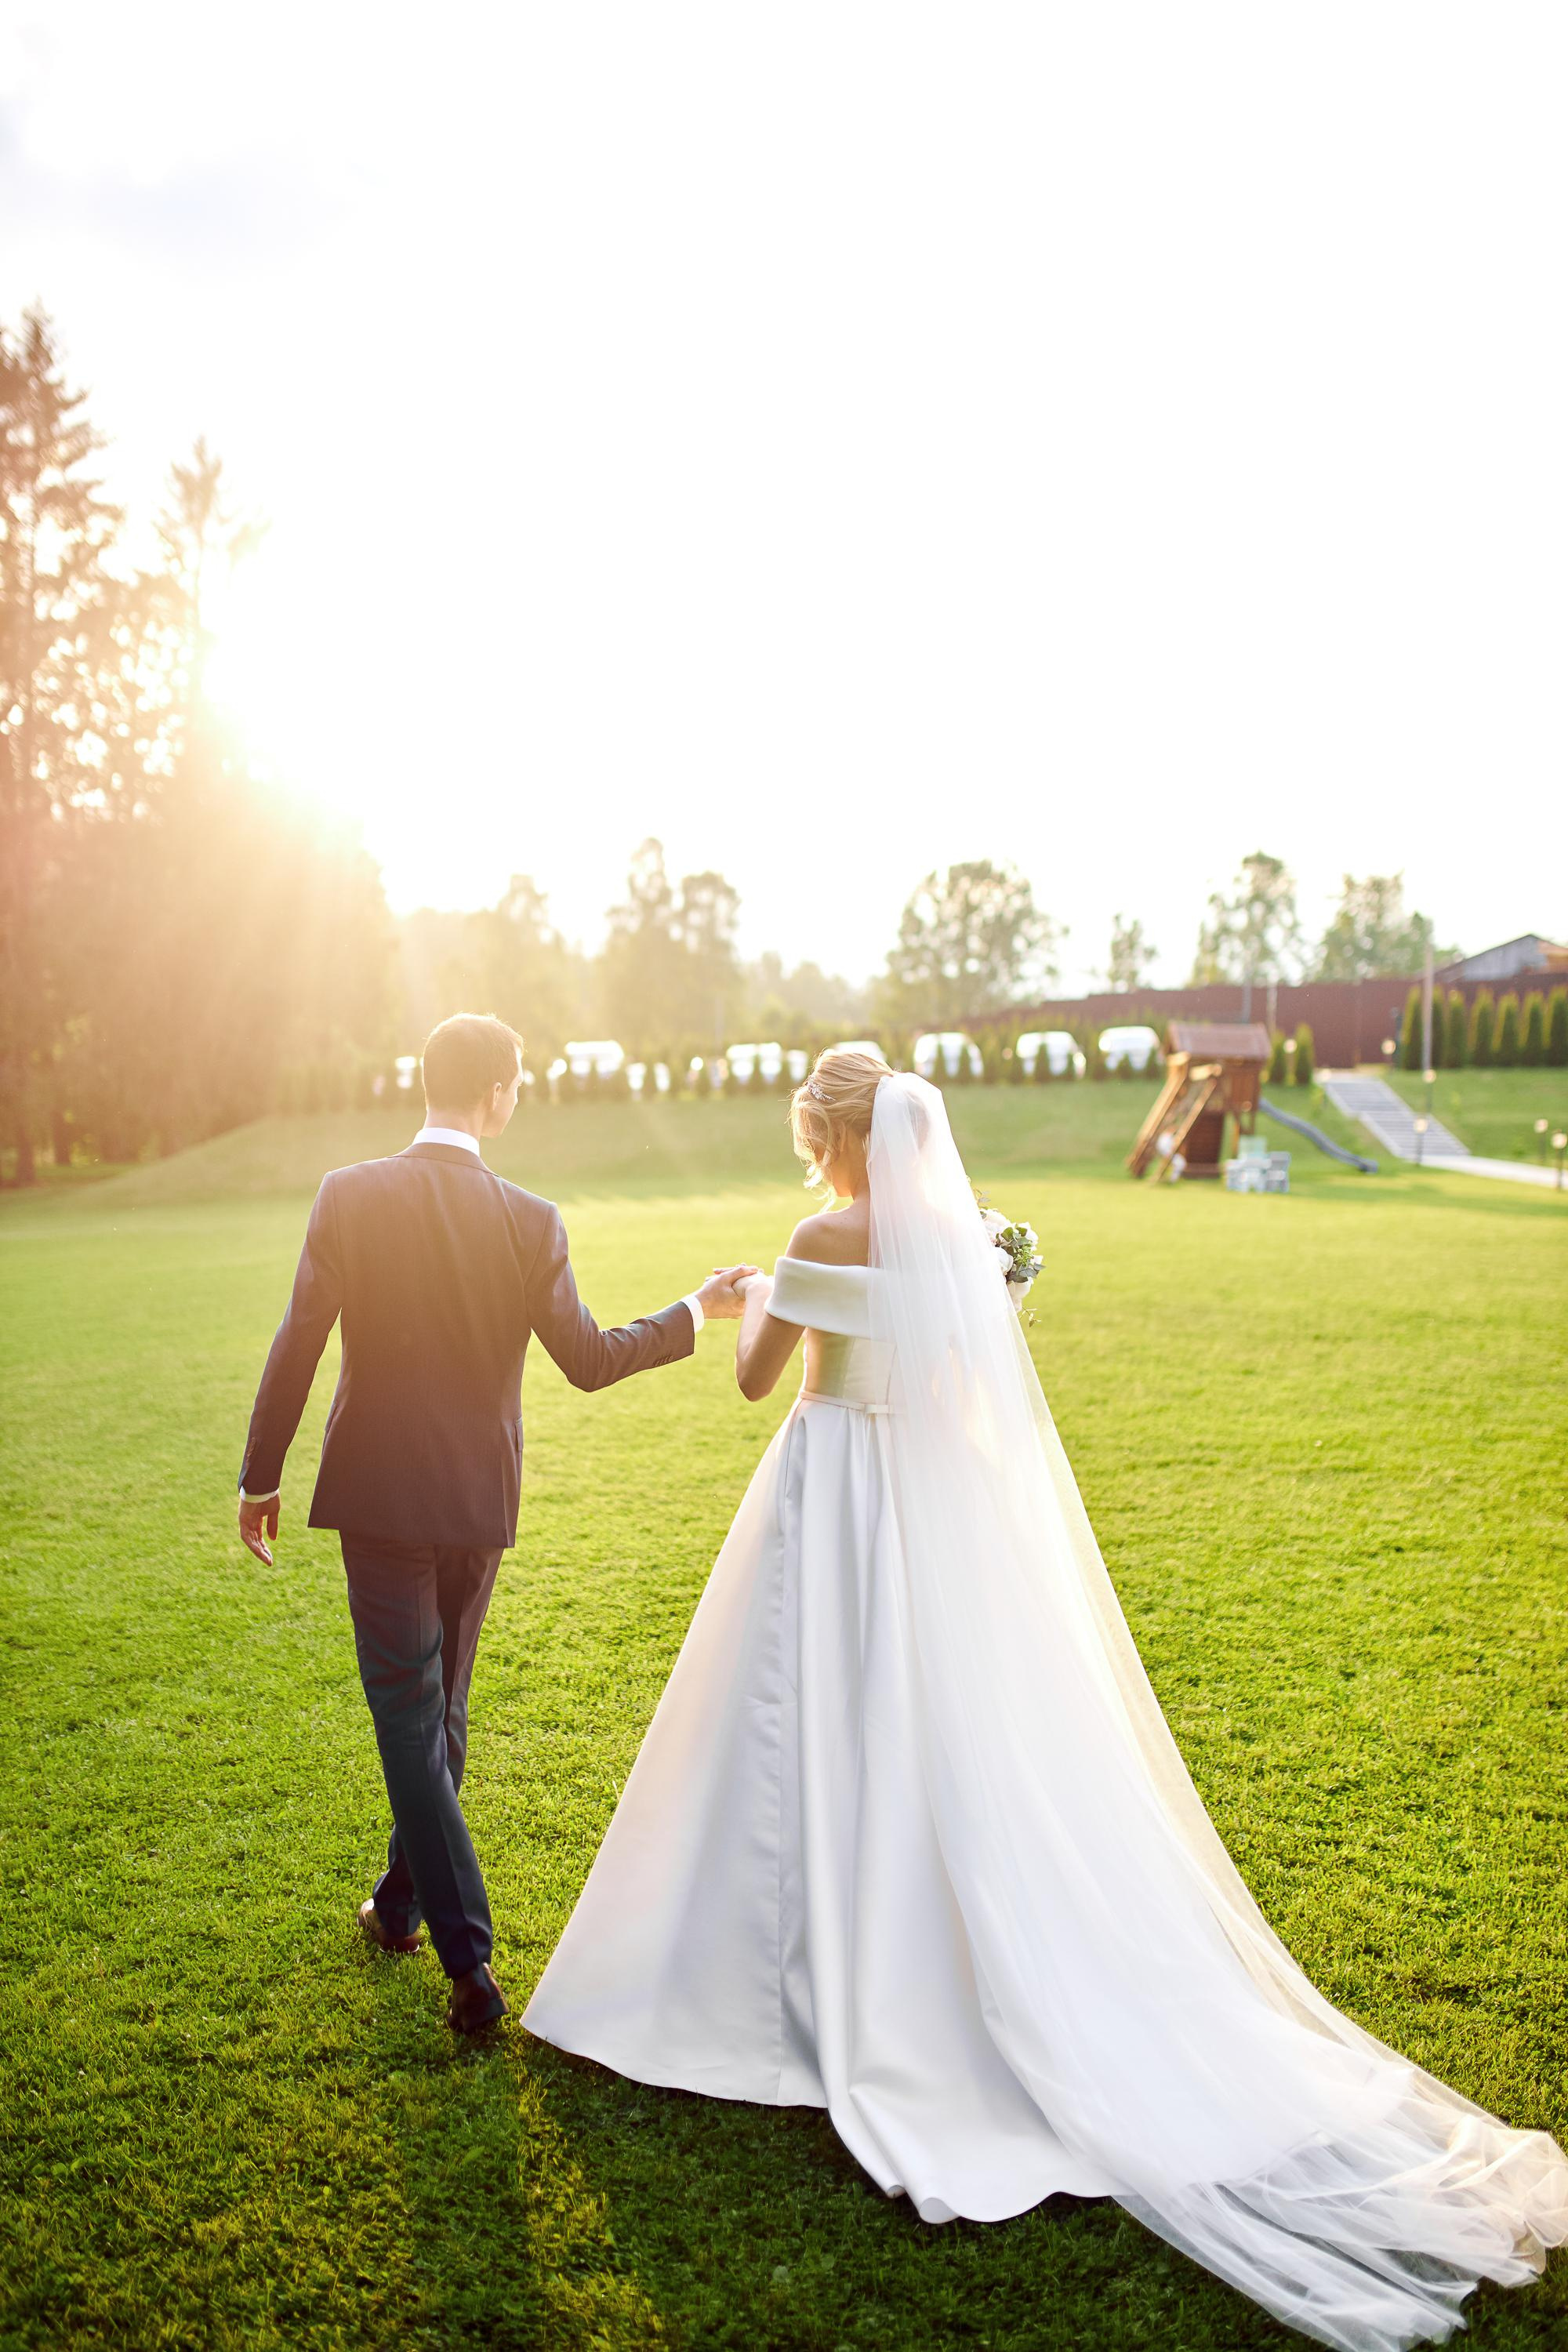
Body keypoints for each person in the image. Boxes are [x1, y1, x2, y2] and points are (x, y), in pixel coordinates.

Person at [523, 1047, 1567, 2350]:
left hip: (829, 1493)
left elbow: (758, 1385)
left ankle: (783, 1973)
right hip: (926, 1504)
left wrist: (754, 1303)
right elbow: (965, 1388)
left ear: (827, 1133)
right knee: (925, 1723)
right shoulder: (960, 1244)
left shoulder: (816, 1232)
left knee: (801, 1720)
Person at [237, 1011, 754, 2033]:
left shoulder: (350, 1194)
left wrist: (261, 1478)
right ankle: (398, 1908)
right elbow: (592, 1360)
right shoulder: (531, 1218)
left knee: (414, 1716)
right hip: (476, 1501)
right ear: (496, 1097)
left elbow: (299, 1340)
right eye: (521, 1086)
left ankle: (468, 1965)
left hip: (379, 1495)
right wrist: (694, 1308)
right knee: (439, 1712)